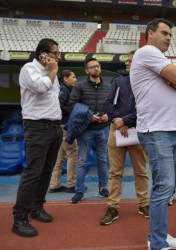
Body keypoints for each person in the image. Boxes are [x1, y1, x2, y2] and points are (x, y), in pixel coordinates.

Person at [129, 18, 176, 250]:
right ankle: (157, 242)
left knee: (165, 185)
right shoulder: (146, 52)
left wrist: (174, 81)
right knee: (163, 186)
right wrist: (175, 80)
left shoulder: (159, 59)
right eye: (164, 33)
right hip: (156, 130)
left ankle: (160, 235)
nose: (168, 38)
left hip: (169, 128)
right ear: (150, 34)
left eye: (170, 35)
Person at [12, 38, 63, 237]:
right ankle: (19, 218)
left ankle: (37, 207)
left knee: (46, 172)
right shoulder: (29, 69)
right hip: (37, 126)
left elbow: (53, 95)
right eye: (55, 53)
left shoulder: (52, 72)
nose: (58, 57)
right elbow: (41, 88)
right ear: (43, 54)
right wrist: (52, 72)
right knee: (33, 172)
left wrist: (52, 73)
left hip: (54, 126)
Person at [100, 50, 150, 225]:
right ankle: (113, 207)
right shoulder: (119, 81)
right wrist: (118, 122)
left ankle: (144, 204)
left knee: (141, 172)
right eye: (127, 61)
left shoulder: (147, 84)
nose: (127, 64)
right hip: (117, 131)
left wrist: (126, 121)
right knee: (115, 172)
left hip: (138, 131)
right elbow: (107, 103)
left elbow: (147, 108)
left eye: (130, 61)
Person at [69, 58, 111, 203]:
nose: (96, 69)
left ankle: (103, 187)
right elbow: (72, 105)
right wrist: (89, 116)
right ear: (87, 71)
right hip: (85, 129)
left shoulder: (108, 86)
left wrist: (108, 116)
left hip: (103, 129)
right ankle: (79, 191)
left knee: (102, 160)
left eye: (97, 66)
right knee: (82, 161)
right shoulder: (79, 86)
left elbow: (112, 106)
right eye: (92, 67)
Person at [49, 70, 78, 193]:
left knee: (60, 156)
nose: (75, 79)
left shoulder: (64, 89)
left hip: (60, 126)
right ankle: (72, 184)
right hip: (65, 126)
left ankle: (54, 184)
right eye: (73, 77)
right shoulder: (64, 90)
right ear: (65, 78)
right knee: (73, 153)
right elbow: (60, 105)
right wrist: (74, 111)